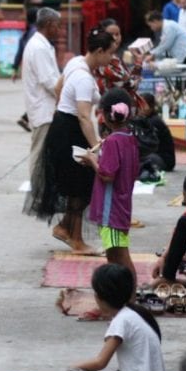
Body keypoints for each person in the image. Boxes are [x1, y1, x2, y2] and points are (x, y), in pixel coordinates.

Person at [32, 29, 117, 255]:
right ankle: (77, 240)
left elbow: (59, 87)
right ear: (99, 51)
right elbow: (83, 116)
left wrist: (63, 108)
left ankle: (65, 229)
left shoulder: (76, 62)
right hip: (71, 129)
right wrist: (97, 147)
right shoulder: (83, 78)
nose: (111, 59)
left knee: (79, 184)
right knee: (80, 186)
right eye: (109, 53)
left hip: (64, 125)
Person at [62, 263, 166, 371]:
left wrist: (72, 368)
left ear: (99, 297)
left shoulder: (121, 321)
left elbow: (100, 362)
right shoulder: (134, 312)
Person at [80, 90, 141, 277]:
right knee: (116, 256)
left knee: (118, 256)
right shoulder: (128, 138)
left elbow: (107, 175)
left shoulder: (113, 141)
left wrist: (91, 160)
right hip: (122, 205)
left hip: (111, 210)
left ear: (106, 116)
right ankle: (123, 296)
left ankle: (129, 296)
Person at [21, 7, 62, 193]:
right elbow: (49, 81)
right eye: (57, 26)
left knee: (46, 152)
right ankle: (38, 194)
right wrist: (65, 96)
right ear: (48, 25)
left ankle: (44, 191)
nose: (59, 30)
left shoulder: (43, 45)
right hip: (42, 108)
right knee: (39, 152)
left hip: (46, 107)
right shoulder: (38, 47)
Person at [12, 6, 40, 132]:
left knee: (36, 96)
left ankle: (27, 118)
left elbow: (20, 50)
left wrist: (14, 68)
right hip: (36, 70)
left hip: (28, 70)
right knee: (40, 96)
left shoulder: (28, 32)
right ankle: (28, 118)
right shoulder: (36, 33)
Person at [139, 92, 176, 172]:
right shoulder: (145, 120)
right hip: (156, 156)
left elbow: (147, 144)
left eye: (143, 105)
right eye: (139, 105)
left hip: (164, 160)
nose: (140, 108)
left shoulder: (154, 121)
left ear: (151, 107)